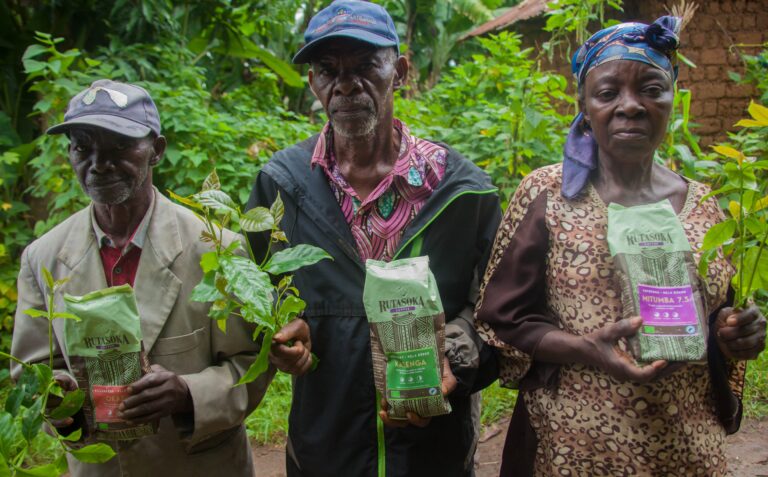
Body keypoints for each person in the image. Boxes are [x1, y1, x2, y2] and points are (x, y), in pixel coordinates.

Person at [475, 16, 767, 476]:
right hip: (575, 449)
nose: (630, 106)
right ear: (583, 104)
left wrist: (735, 334)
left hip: (686, 448)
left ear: (673, 96)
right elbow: (503, 318)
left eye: (651, 89)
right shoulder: (547, 195)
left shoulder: (703, 205)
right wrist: (585, 347)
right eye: (608, 92)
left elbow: (717, 316)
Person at [246, 1, 501, 476]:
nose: (346, 84)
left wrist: (455, 357)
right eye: (329, 70)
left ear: (399, 72)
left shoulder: (462, 191)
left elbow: (497, 307)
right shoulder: (281, 186)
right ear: (313, 83)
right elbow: (257, 291)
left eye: (365, 66)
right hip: (326, 453)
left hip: (435, 456)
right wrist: (281, 331)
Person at [10, 80, 270, 477]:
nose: (99, 163)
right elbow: (33, 372)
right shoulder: (43, 258)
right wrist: (57, 400)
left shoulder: (218, 252)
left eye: (119, 146)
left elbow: (253, 364)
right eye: (83, 147)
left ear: (157, 151)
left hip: (198, 466)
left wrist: (188, 393)